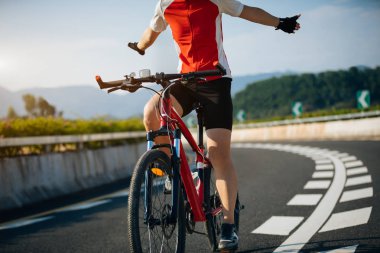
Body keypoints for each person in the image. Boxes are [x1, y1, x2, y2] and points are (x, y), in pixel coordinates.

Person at [128, 0, 300, 251]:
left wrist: (280, 23)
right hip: (185, 81)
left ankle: (228, 225)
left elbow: (247, 11)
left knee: (218, 152)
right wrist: (140, 47)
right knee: (152, 111)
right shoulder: (165, 3)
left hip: (215, 81)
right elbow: (152, 30)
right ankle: (169, 172)